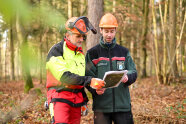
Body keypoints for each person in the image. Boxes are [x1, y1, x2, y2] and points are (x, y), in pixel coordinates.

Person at [46, 16, 105, 124]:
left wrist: (94, 89)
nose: (81, 39)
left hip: (76, 99)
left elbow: (82, 78)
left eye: (83, 36)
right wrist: (89, 80)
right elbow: (65, 77)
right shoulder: (57, 50)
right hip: (59, 97)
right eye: (78, 36)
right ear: (67, 35)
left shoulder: (80, 54)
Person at [85, 13, 137, 124]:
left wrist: (128, 77)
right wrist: (95, 89)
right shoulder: (92, 53)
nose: (109, 35)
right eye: (106, 31)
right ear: (101, 30)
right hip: (101, 108)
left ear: (115, 31)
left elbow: (134, 72)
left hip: (123, 107)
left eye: (112, 31)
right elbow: (87, 77)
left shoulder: (123, 52)